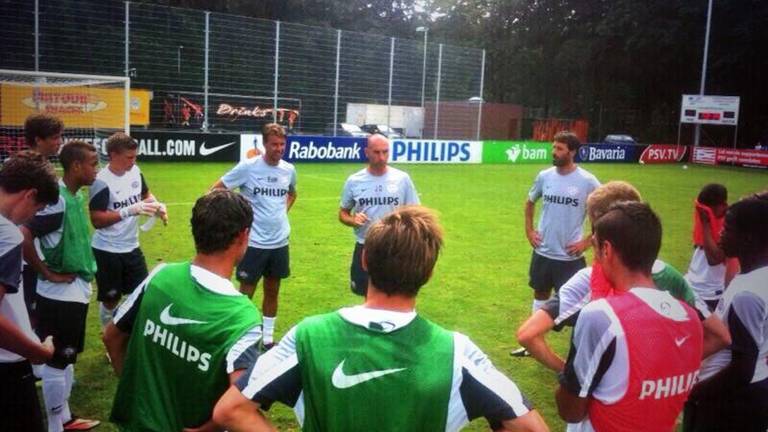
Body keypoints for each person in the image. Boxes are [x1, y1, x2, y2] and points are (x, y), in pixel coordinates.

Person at [212, 206, 549, 432]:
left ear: (366, 261)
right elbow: (533, 428)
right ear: (429, 273)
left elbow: (230, 410)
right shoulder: (457, 352)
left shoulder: (309, 335)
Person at [516, 181, 730, 372]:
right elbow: (721, 337)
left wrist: (569, 373)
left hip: (597, 409)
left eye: (593, 228)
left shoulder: (587, 282)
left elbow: (527, 335)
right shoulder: (671, 277)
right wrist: (668, 368)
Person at [104, 189, 263, 432]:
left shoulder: (160, 276)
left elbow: (112, 337)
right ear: (243, 236)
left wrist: (137, 394)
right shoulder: (243, 318)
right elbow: (239, 407)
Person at [555, 201, 703, 431]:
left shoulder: (602, 316)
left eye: (594, 247)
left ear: (607, 249)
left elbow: (570, 411)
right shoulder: (691, 318)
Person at [20, 141, 101, 432]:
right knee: (57, 360)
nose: (97, 169)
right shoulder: (58, 200)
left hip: (73, 289)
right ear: (76, 166)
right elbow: (24, 234)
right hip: (59, 293)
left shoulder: (72, 196)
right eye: (93, 163)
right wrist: (46, 272)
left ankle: (65, 417)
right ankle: (56, 425)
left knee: (66, 358)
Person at [684, 191, 768, 432]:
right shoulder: (757, 277)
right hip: (752, 391)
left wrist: (694, 393)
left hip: (728, 402)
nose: (721, 233)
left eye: (728, 229)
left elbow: (741, 370)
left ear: (749, 238)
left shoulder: (747, 294)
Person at [512, 131, 600, 357]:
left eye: (560, 149)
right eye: (554, 148)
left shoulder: (588, 181)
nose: (554, 152)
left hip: (570, 257)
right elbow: (530, 202)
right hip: (544, 251)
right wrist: (529, 230)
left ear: (572, 152)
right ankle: (532, 343)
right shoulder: (545, 176)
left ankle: (579, 351)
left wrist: (587, 241)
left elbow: (603, 214)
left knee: (578, 305)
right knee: (540, 293)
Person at [211, 123, 297, 348]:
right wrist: (237, 215)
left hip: (280, 242)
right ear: (264, 144)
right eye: (274, 144)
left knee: (273, 288)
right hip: (254, 243)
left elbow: (292, 194)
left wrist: (280, 214)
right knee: (246, 291)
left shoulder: (288, 169)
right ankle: (239, 334)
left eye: (282, 144)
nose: (279, 149)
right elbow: (216, 190)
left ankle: (268, 338)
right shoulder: (248, 167)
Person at [0, 151, 58, 432]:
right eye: (37, 209)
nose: (31, 218)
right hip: (7, 366)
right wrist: (36, 351)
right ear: (29, 194)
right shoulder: (7, 234)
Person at [89, 132, 166, 330]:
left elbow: (146, 195)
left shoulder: (135, 172)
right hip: (107, 250)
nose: (134, 161)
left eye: (135, 156)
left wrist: (157, 206)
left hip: (132, 247)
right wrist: (128, 211)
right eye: (129, 157)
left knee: (139, 294)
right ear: (113, 155)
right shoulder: (101, 181)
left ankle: (129, 334)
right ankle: (108, 335)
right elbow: (97, 220)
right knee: (111, 298)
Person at [338, 133, 420, 296]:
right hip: (365, 246)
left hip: (395, 246)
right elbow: (343, 213)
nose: (382, 157)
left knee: (395, 292)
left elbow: (415, 212)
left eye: (385, 152)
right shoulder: (354, 181)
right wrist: (353, 220)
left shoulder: (402, 179)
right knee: (366, 294)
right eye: (377, 152)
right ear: (367, 152)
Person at [21, 113, 65, 325]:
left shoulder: (40, 167)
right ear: (38, 140)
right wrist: (47, 273)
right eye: (55, 137)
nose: (59, 142)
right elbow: (23, 232)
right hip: (23, 261)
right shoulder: (25, 170)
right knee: (27, 317)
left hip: (36, 256)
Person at [684, 183, 738, 312]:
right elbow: (700, 248)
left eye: (709, 209)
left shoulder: (731, 224)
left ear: (723, 205)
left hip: (710, 292)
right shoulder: (710, 217)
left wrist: (706, 225)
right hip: (691, 284)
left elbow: (714, 259)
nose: (706, 212)